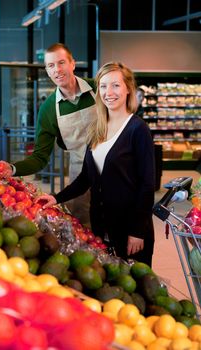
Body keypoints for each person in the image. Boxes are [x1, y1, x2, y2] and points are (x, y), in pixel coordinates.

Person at [37, 61, 156, 266]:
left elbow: (147, 185)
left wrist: (137, 231)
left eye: (115, 85)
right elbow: (85, 178)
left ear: (128, 89)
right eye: (103, 86)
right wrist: (56, 198)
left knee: (135, 291)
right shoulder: (97, 129)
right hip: (101, 226)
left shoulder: (138, 130)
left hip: (129, 228)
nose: (108, 92)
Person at [2, 43, 97, 226]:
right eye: (51, 66)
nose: (57, 70)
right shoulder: (48, 109)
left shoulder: (98, 89)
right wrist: (13, 169)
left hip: (116, 169)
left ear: (73, 64)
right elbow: (40, 157)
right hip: (80, 177)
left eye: (61, 63)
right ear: (47, 70)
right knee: (85, 226)